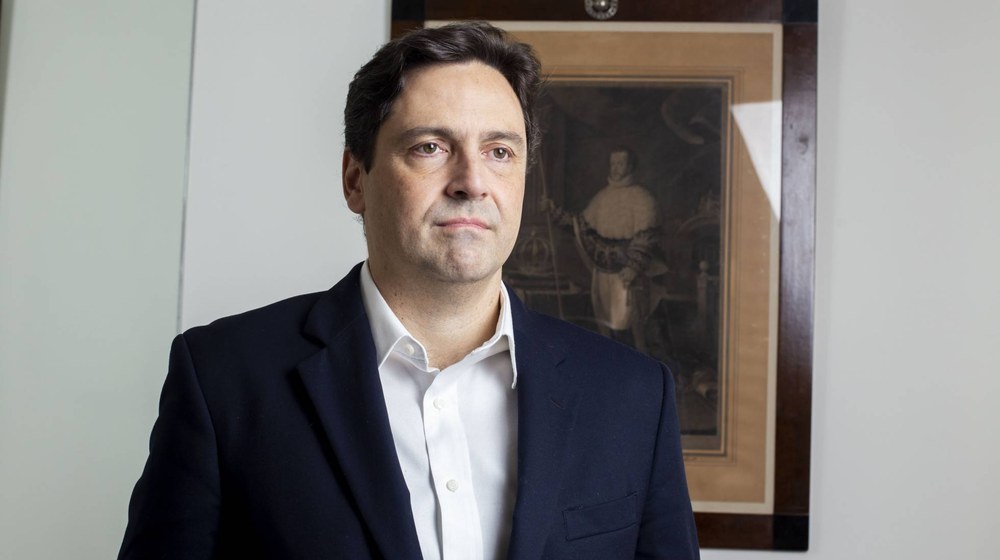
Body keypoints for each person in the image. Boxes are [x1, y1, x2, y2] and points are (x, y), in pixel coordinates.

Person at [119, 22, 699, 560]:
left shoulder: (633, 395)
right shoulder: (224, 379)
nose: (472, 182)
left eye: (499, 152)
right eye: (430, 147)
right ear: (356, 180)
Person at [543, 148, 662, 353]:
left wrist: (633, 267)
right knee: (604, 322)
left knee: (633, 324)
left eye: (620, 164)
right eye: (613, 164)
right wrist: (552, 210)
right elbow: (580, 225)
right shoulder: (602, 197)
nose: (616, 168)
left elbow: (646, 236)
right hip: (602, 270)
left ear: (630, 166)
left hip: (628, 271)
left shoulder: (642, 198)